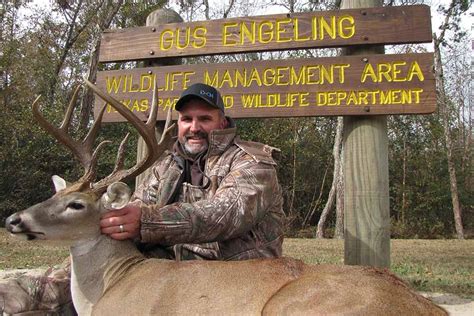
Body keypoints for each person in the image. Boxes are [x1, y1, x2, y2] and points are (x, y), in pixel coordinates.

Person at [99, 83, 285, 260]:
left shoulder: (252, 163)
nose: (194, 128)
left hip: (238, 278)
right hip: (172, 273)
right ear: (179, 123)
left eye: (204, 119)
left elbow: (224, 215)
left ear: (222, 123)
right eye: (187, 119)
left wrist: (147, 221)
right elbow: (137, 208)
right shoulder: (166, 166)